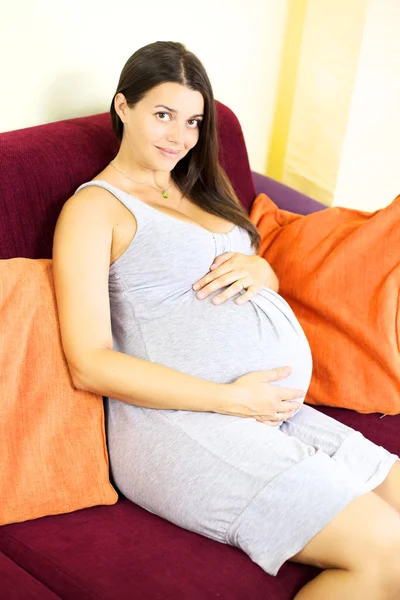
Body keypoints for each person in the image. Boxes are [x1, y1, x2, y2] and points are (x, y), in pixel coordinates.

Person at [52, 41, 400, 599]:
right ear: (122, 107)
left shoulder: (199, 187)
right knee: (385, 550)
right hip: (182, 423)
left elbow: (246, 280)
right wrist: (232, 400)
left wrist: (265, 271)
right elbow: (89, 363)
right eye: (162, 115)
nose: (179, 136)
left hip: (268, 411)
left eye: (192, 121)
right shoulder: (95, 209)